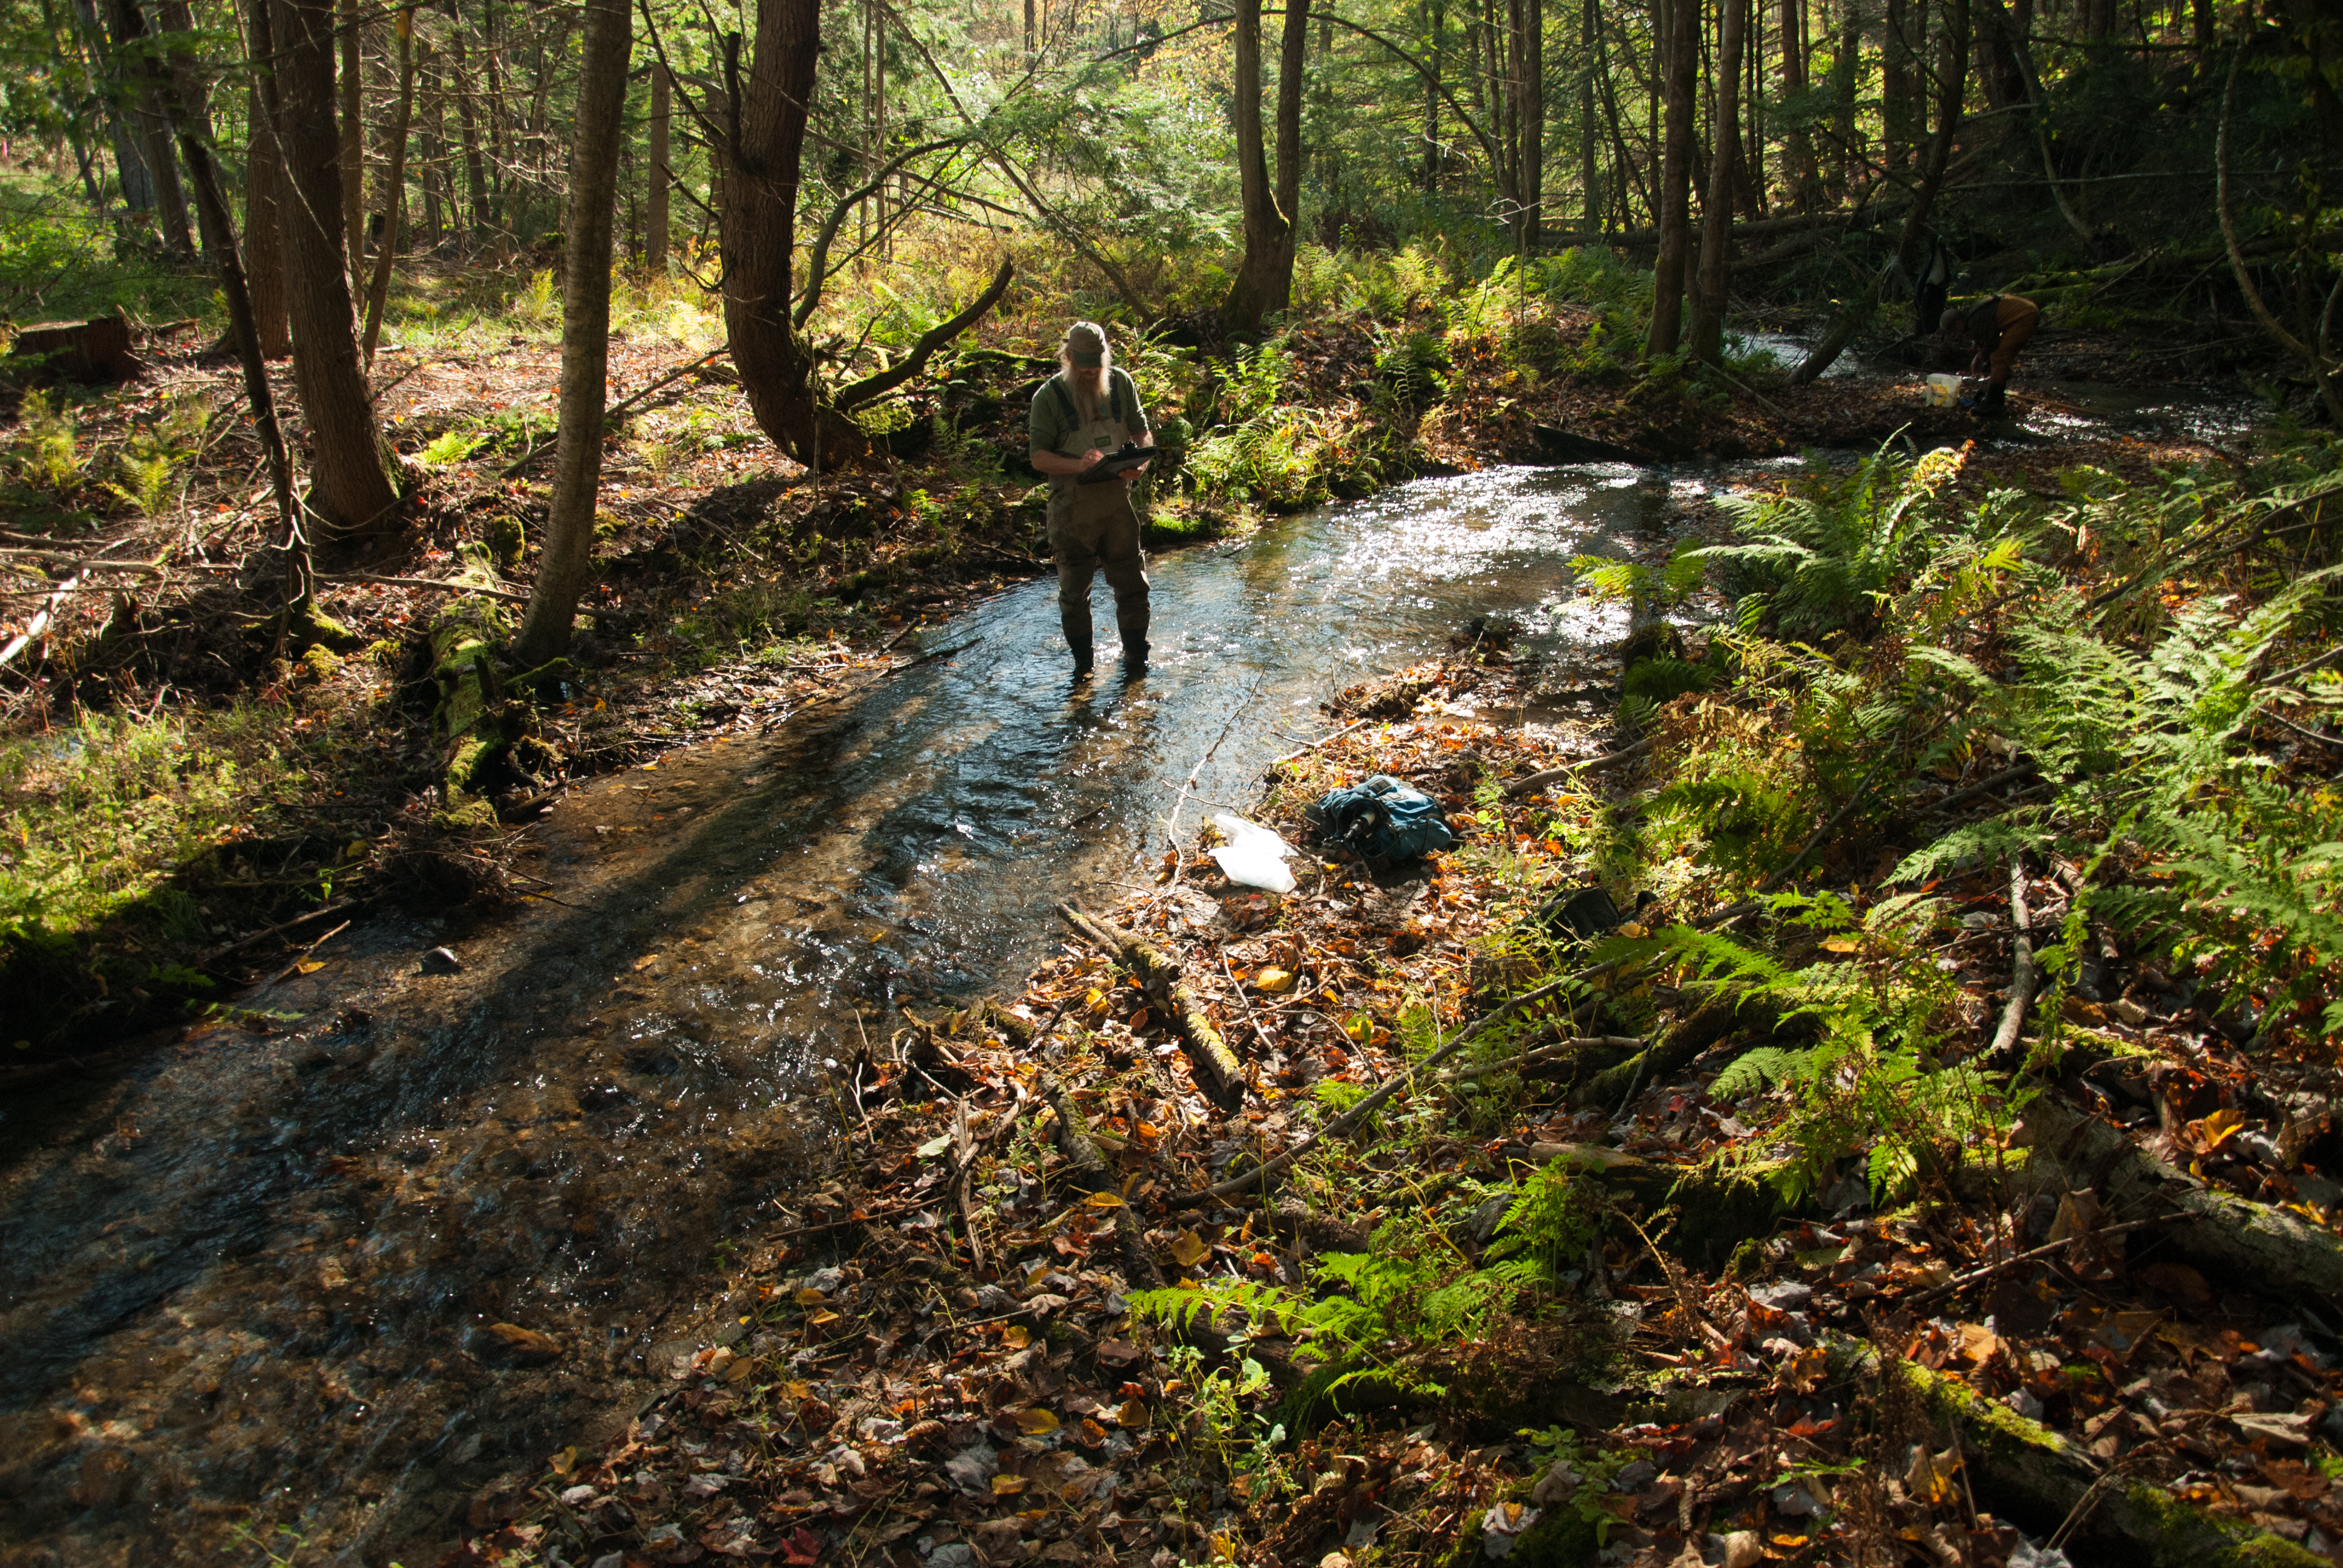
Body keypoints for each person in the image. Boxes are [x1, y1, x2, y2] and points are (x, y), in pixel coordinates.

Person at [1029, 321, 1153, 677]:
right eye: (1081, 363)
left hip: (1118, 508)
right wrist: (1076, 464)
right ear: (1067, 356)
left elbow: (1141, 432)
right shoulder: (1048, 398)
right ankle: (1083, 669)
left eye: (1095, 364)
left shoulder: (1121, 384)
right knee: (1074, 596)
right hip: (1072, 512)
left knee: (1133, 586)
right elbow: (1038, 457)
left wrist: (1140, 462)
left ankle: (1136, 663)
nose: (1089, 371)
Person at [1940, 293, 2040, 416]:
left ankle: (1994, 404)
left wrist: (1979, 357)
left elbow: (1993, 342)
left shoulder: (1974, 320)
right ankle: (1997, 390)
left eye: (1954, 331)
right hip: (2025, 312)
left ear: (1958, 322)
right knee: (1997, 358)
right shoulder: (1972, 315)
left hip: (2024, 316)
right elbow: (1990, 334)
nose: (1956, 334)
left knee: (1998, 358)